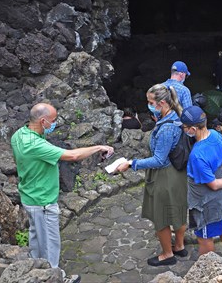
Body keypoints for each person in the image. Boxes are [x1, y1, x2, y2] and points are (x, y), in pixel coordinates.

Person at [11, 103, 114, 283]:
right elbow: (72, 156)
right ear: (43, 121)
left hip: (29, 196)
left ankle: (36, 272)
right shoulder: (34, 144)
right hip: (42, 200)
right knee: (51, 244)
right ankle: (54, 277)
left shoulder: (19, 135)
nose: (55, 123)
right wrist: (98, 148)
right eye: (53, 120)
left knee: (36, 240)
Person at [116, 84, 188, 266]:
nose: (148, 105)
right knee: (178, 211)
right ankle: (179, 246)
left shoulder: (166, 128)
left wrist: (132, 163)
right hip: (178, 174)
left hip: (165, 177)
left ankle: (167, 254)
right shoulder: (177, 117)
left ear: (162, 102)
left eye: (150, 102)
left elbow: (159, 160)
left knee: (161, 217)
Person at [180, 106, 222, 268]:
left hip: (206, 204)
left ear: (193, 129)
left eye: (185, 127)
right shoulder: (215, 135)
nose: (183, 130)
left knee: (204, 238)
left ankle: (208, 271)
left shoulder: (197, 155)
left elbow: (214, 185)